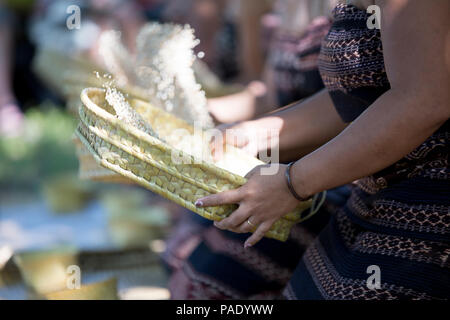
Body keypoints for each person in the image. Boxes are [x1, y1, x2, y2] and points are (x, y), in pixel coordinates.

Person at [183, 0, 449, 299]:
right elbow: (357, 96)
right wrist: (256, 133)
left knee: (213, 282)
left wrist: (293, 182)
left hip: (428, 210)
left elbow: (423, 100)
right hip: (371, 193)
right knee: (190, 269)